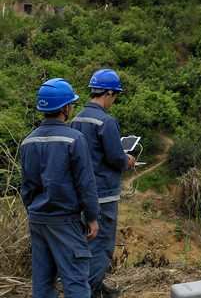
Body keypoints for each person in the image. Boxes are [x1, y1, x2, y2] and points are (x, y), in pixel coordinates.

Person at [21, 78, 100, 298]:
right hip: (65, 220)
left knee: (43, 282)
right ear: (65, 108)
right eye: (72, 104)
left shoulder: (28, 142)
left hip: (37, 220)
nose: (73, 107)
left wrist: (35, 211)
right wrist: (92, 217)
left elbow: (26, 187)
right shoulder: (74, 139)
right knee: (75, 281)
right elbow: (85, 183)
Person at [70, 69, 135, 298]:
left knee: (86, 242)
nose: (114, 100)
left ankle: (94, 286)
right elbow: (115, 157)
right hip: (104, 194)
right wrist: (127, 160)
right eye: (115, 95)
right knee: (102, 245)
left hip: (81, 193)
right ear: (108, 93)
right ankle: (90, 291)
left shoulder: (77, 118)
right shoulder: (106, 121)